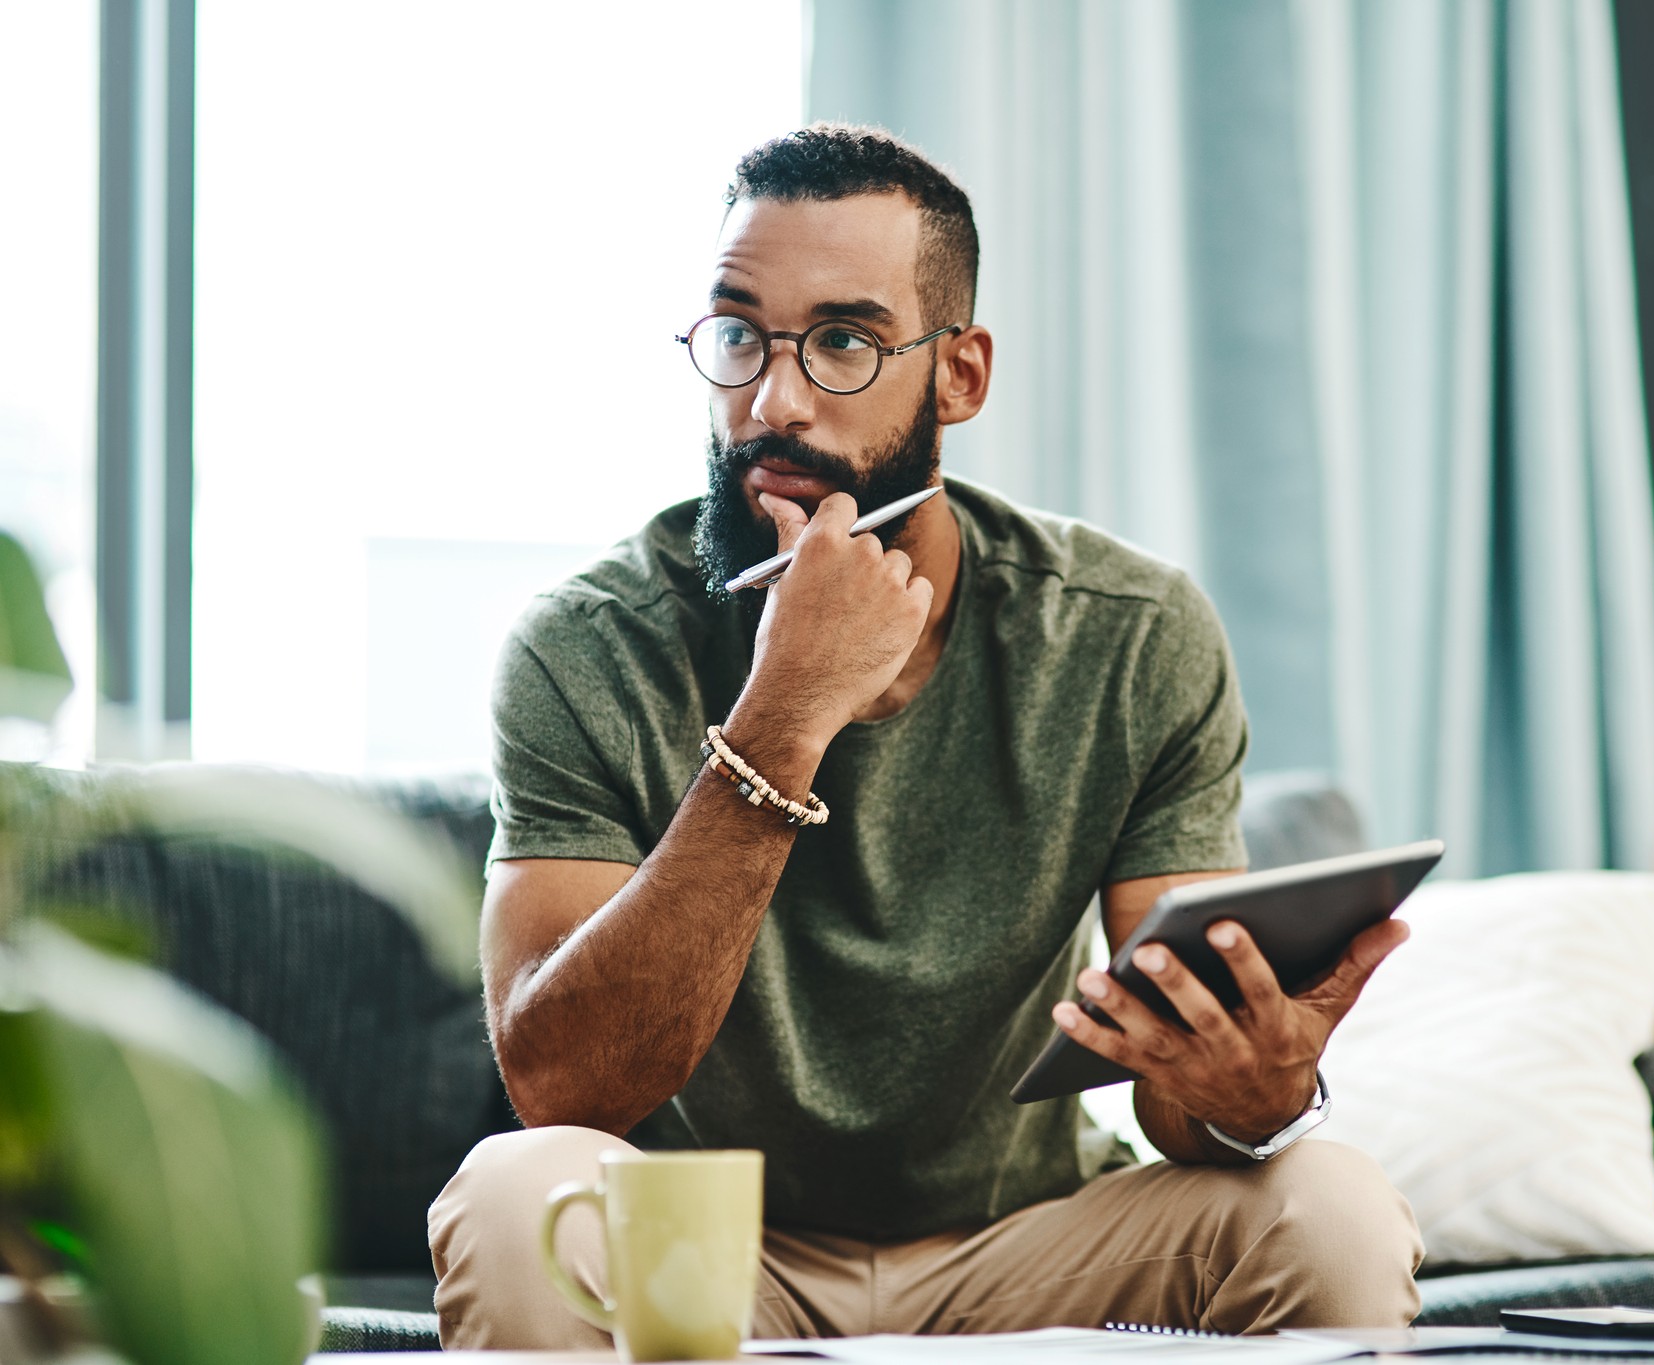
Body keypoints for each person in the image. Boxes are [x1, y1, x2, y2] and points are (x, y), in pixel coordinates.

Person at [428, 124, 1422, 1348]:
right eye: (739, 334)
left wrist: (1253, 1092)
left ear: (958, 376)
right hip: (710, 1248)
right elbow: (561, 1090)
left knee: (1330, 1203)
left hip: (1030, 1242)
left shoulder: (1128, 633)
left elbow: (1177, 1108)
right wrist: (782, 715)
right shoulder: (584, 645)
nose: (771, 400)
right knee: (514, 1196)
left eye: (842, 341)